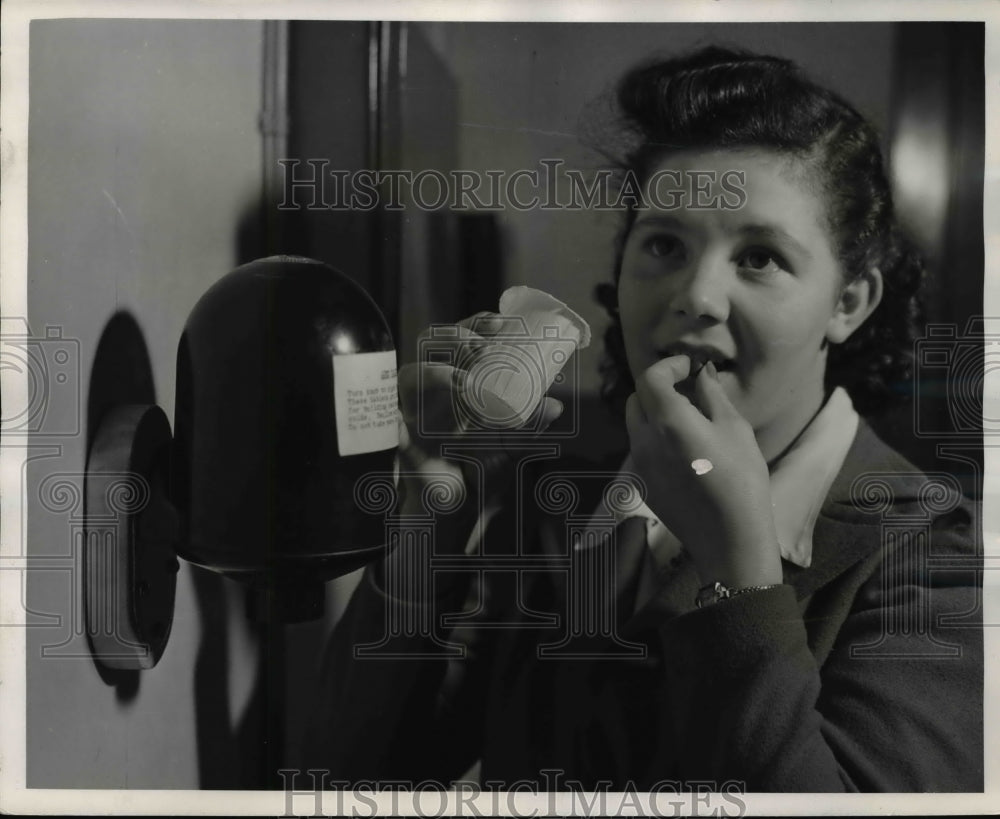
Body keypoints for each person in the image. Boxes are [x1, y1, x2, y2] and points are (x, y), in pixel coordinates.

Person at [306, 46, 982, 792]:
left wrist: (740, 574)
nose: (695, 295)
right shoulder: (561, 510)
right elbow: (356, 773)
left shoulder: (926, 556)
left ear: (848, 302)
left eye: (759, 256)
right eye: (664, 244)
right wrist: (433, 507)